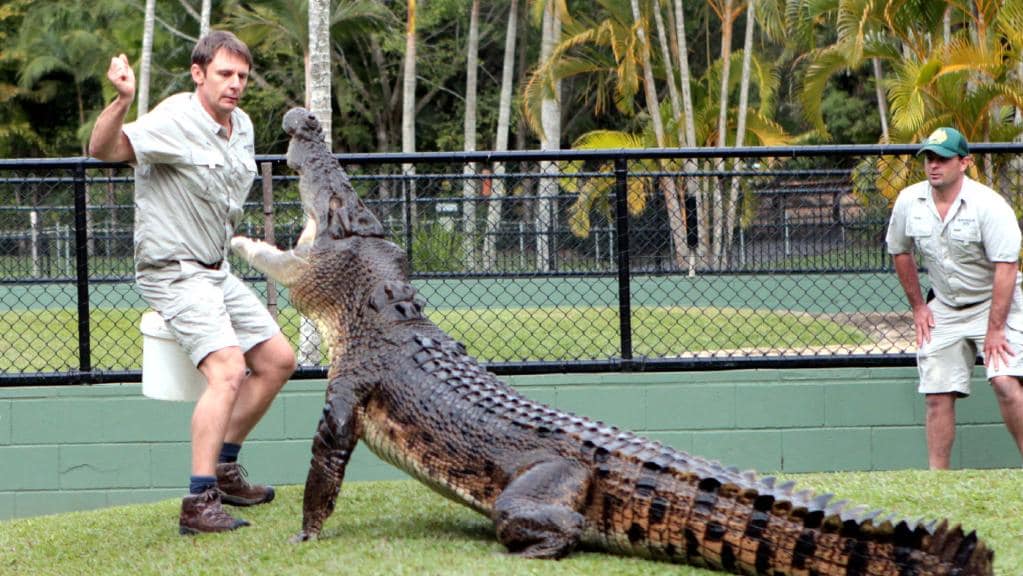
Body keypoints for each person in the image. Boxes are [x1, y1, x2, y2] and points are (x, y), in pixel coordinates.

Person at [88, 31, 297, 534]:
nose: (235, 85)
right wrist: (122, 100)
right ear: (198, 73)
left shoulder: (241, 126)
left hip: (215, 268)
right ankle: (198, 502)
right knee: (227, 370)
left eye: (242, 76)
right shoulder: (174, 119)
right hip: (173, 270)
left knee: (277, 360)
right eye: (225, 74)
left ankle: (225, 467)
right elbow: (103, 149)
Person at [886, 126, 1023, 469]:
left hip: (997, 303)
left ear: (964, 162)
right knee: (936, 393)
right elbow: (900, 251)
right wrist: (919, 306)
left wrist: (994, 329)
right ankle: (938, 480)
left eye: (943, 159)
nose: (934, 165)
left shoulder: (989, 205)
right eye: (930, 158)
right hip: (944, 306)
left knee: (1005, 382)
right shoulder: (909, 201)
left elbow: (1007, 267)